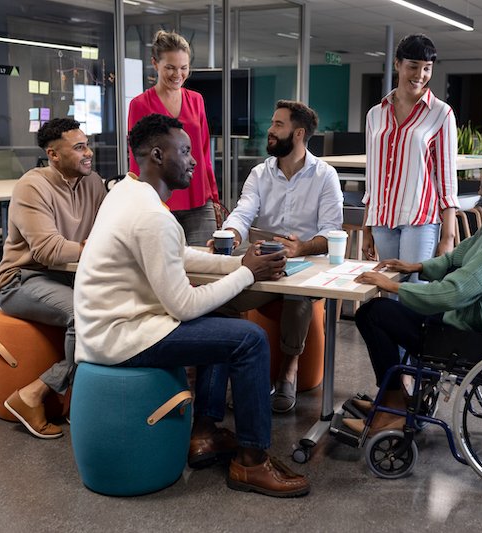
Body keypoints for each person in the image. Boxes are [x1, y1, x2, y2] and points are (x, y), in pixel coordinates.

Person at [74, 113, 310, 498]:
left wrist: (240, 263)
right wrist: (247, 274)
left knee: (220, 317)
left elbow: (178, 256)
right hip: (122, 337)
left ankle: (204, 433)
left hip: (107, 328)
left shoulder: (126, 193)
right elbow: (183, 306)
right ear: (156, 155)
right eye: (184, 151)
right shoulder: (152, 216)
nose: (194, 160)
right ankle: (251, 462)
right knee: (248, 340)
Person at [344, 144, 482, 435]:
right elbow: (459, 257)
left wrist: (393, 285)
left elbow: (457, 291)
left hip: (471, 336)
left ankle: (393, 407)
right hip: (464, 321)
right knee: (378, 312)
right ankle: (391, 400)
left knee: (373, 314)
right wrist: (417, 267)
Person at [218, 100, 343, 413]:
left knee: (297, 297)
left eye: (278, 125)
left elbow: (331, 232)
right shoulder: (260, 173)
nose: (270, 131)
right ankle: (240, 370)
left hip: (308, 262)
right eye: (272, 124)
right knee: (220, 298)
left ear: (298, 133)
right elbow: (243, 211)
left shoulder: (325, 175)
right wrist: (230, 235)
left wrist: (301, 248)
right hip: (265, 258)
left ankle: (288, 371)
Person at [0, 118, 107, 439]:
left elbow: (107, 233)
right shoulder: (32, 186)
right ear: (53, 154)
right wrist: (95, 248)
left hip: (67, 277)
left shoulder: (93, 183)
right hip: (22, 279)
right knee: (81, 313)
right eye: (79, 147)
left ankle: (74, 396)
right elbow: (47, 251)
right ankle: (34, 395)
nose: (89, 153)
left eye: (87, 144)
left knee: (116, 306)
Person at [362, 33, 459, 281]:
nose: (420, 75)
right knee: (386, 292)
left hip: (421, 219)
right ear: (397, 64)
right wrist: (366, 227)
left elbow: (447, 181)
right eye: (413, 66)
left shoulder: (441, 113)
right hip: (382, 219)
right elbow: (372, 176)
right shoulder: (375, 114)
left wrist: (447, 238)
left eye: (427, 68)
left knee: (413, 293)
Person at [127, 30, 219, 246]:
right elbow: (136, 158)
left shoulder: (196, 100)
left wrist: (213, 196)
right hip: (158, 203)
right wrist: (138, 200)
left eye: (183, 68)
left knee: (207, 268)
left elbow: (204, 151)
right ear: (155, 64)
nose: (178, 74)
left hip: (198, 199)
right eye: (170, 67)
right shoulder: (140, 104)